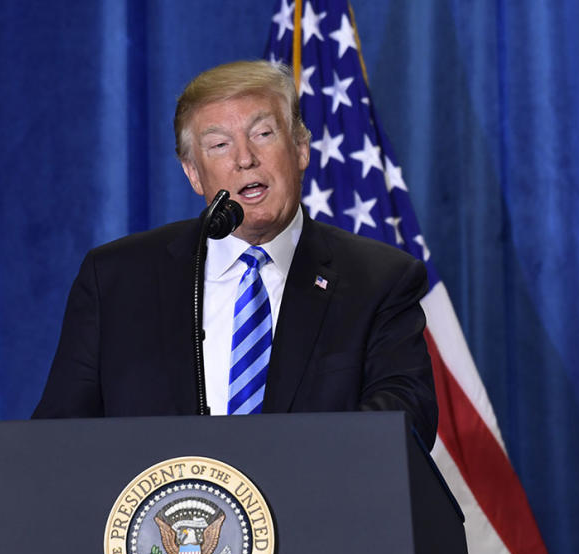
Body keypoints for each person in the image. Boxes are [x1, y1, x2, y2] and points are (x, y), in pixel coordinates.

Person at [33, 61, 438, 449]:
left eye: (263, 134)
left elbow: (404, 422)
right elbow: (59, 439)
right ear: (193, 172)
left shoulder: (380, 280)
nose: (245, 158)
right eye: (219, 145)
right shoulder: (117, 280)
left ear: (300, 149)